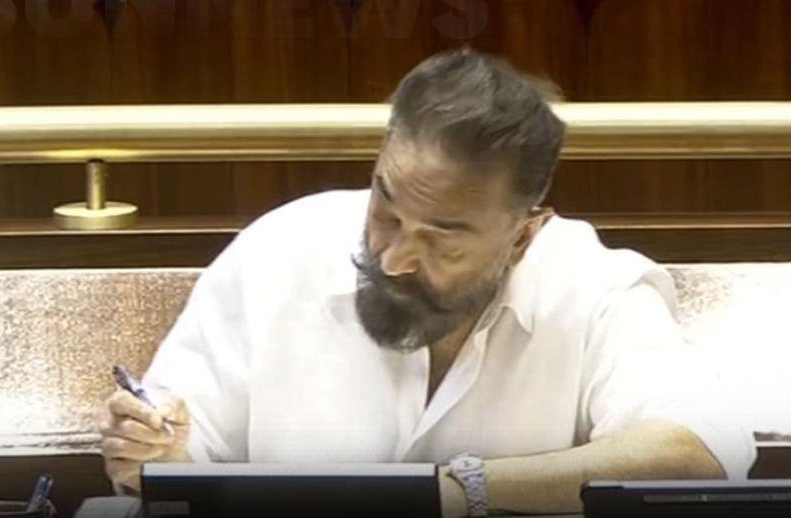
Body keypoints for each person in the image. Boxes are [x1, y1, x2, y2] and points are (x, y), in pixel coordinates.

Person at [98, 49, 755, 516]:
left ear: (523, 235)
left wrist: (461, 491)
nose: (393, 260)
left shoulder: (592, 286)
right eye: (385, 211)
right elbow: (181, 455)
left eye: (443, 237)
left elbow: (700, 449)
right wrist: (152, 453)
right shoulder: (279, 252)